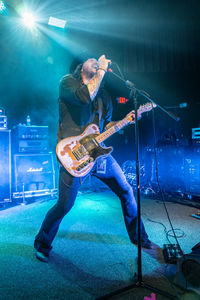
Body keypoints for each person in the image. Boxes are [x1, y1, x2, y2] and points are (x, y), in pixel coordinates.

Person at [34, 54, 152, 262]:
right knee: (64, 205)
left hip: (99, 154)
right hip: (74, 154)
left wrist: (125, 120)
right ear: (81, 67)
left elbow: (103, 125)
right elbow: (84, 97)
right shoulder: (68, 83)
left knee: (126, 190)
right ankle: (42, 243)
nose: (97, 62)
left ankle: (140, 237)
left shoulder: (103, 96)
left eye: (99, 63)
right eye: (92, 60)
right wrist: (101, 71)